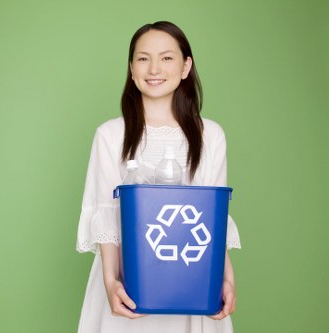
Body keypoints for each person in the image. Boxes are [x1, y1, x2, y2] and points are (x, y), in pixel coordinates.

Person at [76, 21, 241, 333]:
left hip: (193, 277)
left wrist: (226, 279)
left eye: (166, 58)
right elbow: (106, 217)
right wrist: (112, 284)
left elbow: (213, 221)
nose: (154, 68)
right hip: (129, 281)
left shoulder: (211, 136)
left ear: (185, 66)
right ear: (131, 68)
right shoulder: (111, 134)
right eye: (142, 58)